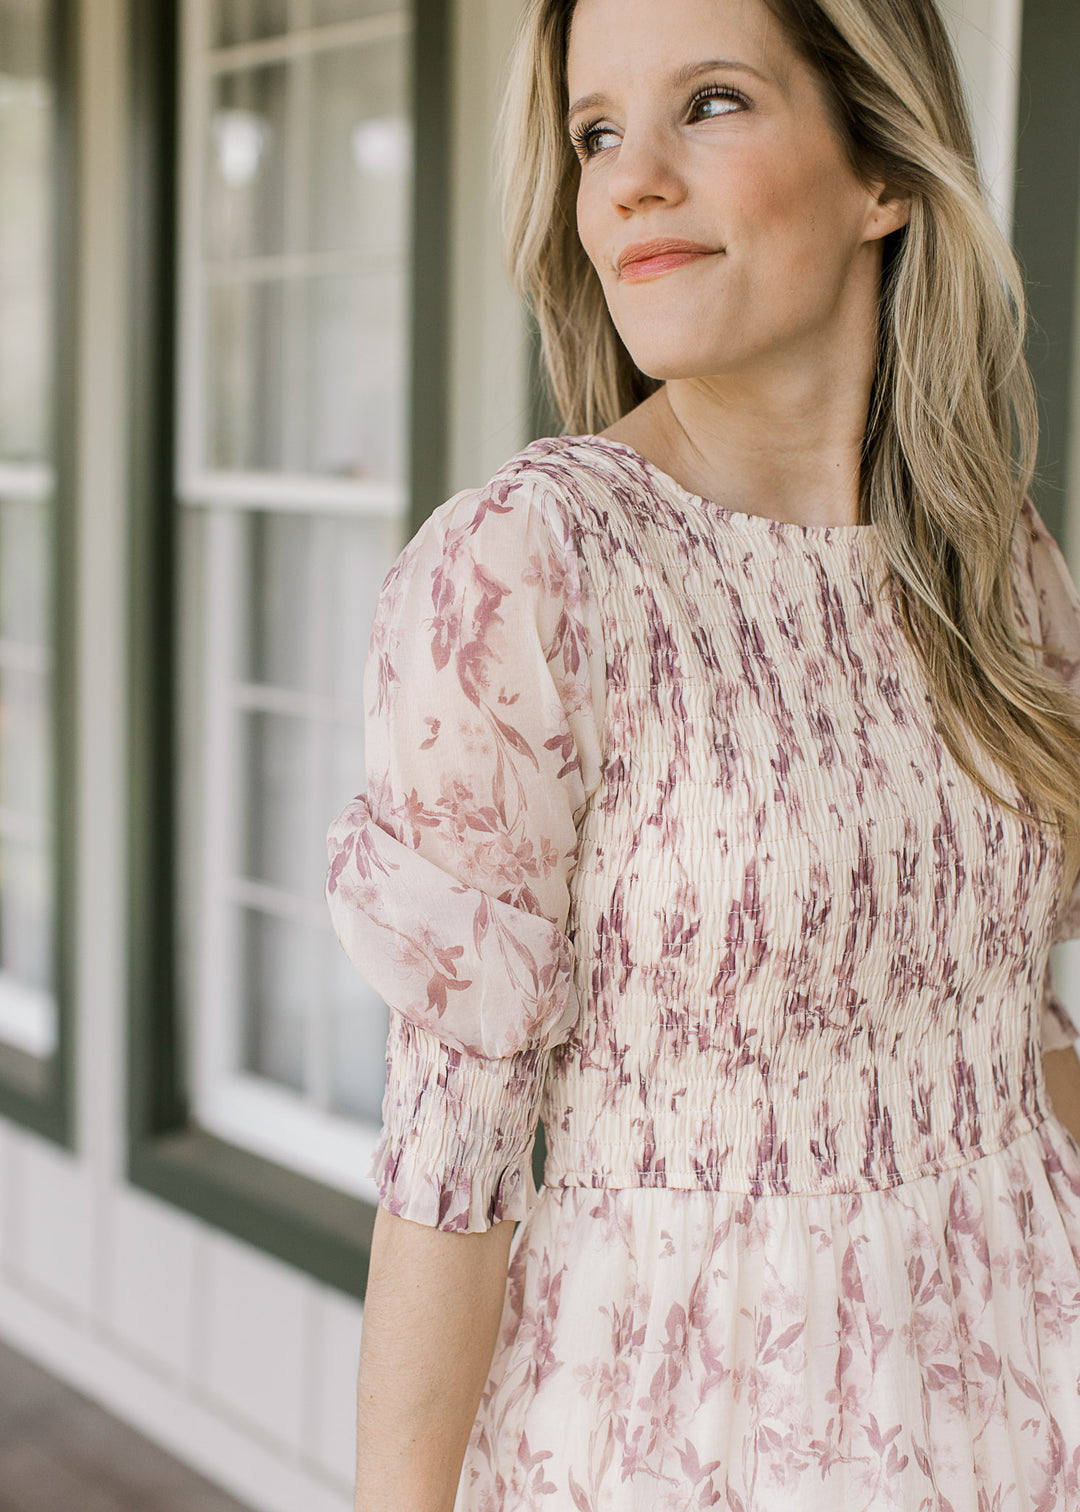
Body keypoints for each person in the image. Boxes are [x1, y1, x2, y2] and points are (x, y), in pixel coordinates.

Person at [325, 0, 1080, 1505]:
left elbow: (1017, 1025)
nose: (629, 182)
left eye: (713, 103)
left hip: (1028, 1385)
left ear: (883, 171)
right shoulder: (530, 570)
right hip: (694, 1433)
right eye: (598, 131)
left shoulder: (999, 568)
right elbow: (449, 1170)